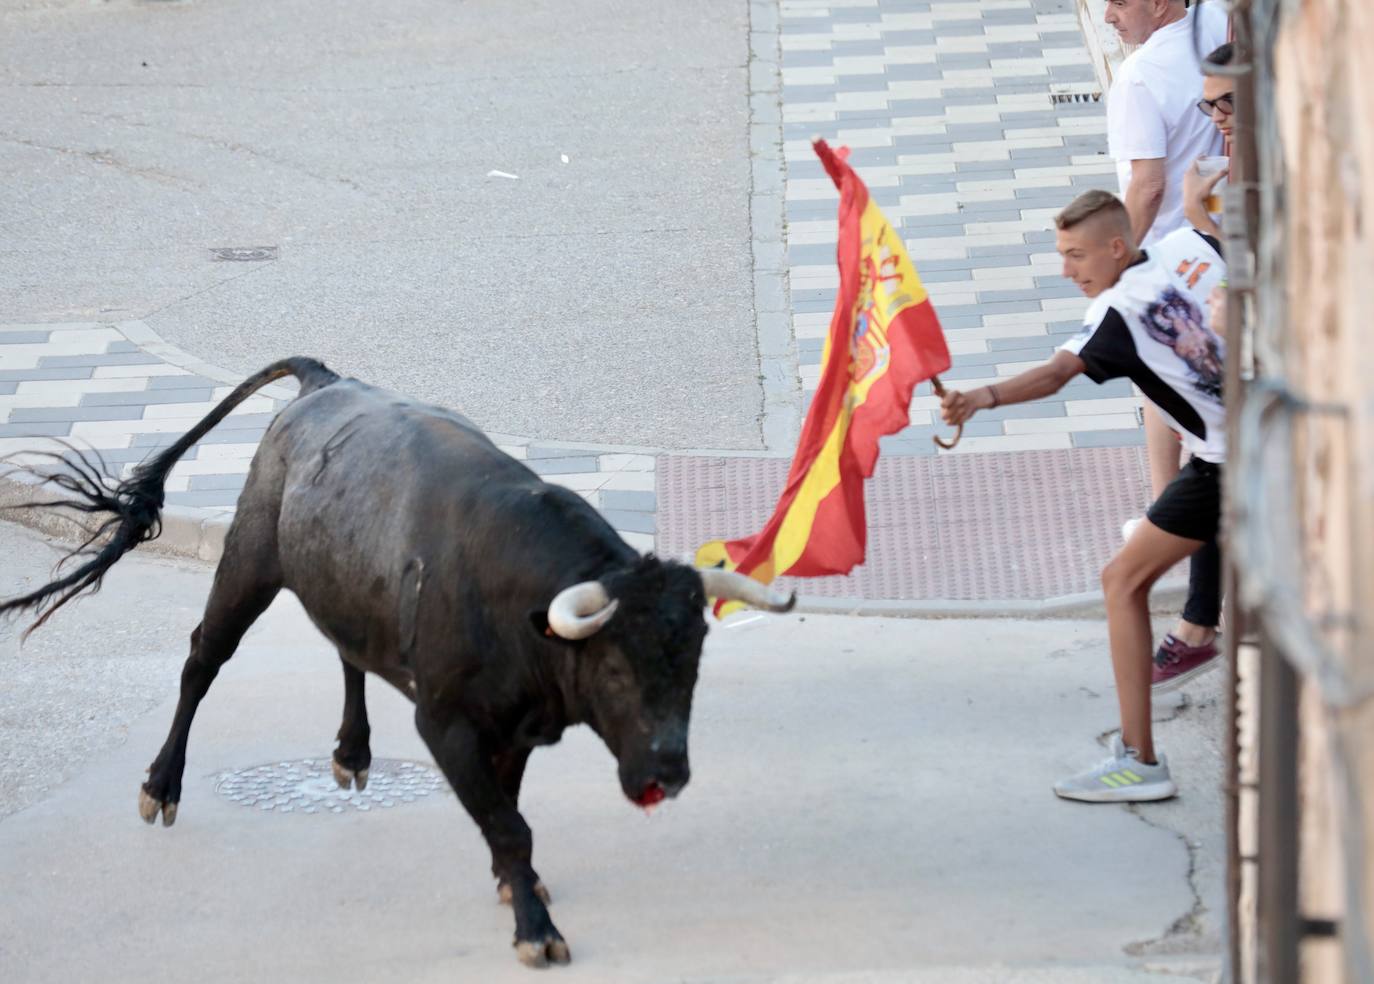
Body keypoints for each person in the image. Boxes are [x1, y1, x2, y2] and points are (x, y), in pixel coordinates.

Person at [940, 190, 1226, 802]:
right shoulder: (1186, 247)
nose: (1067, 270)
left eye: (1076, 255)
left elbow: (1054, 374)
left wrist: (980, 398)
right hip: (1269, 445)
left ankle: (1139, 761)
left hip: (1227, 466)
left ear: (1117, 247)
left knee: (1122, 583)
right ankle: (1186, 656)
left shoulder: (1116, 312)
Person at [1104, 0, 1229, 682]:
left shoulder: (1140, 78)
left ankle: (1172, 545)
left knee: (1190, 419)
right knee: (1192, 416)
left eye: (1116, 4)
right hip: (1221, 245)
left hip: (1180, 262)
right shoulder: (1214, 28)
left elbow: (1146, 185)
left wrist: (1113, 260)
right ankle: (1170, 534)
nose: (1108, 19)